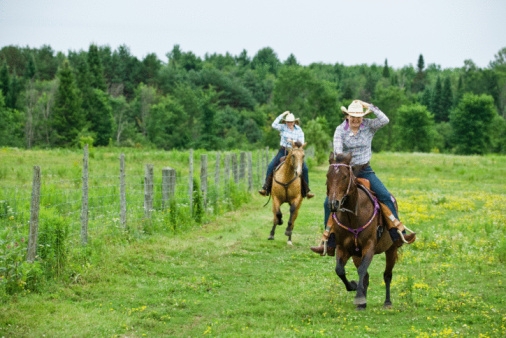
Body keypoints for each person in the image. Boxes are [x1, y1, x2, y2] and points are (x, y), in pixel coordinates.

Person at [310, 100, 415, 255]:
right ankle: (330, 241)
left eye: (359, 116)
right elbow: (338, 152)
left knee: (386, 196)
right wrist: (343, 165)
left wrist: (369, 106)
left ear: (363, 116)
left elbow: (385, 120)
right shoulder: (340, 130)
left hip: (365, 170)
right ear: (347, 116)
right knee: (328, 202)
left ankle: (397, 234)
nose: (356, 119)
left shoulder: (369, 126)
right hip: (346, 171)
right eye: (353, 116)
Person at [258, 111, 314, 199]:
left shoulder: (299, 130)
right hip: (283, 150)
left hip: (295, 152)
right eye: (288, 122)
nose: (289, 123)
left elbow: (301, 143)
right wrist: (283, 114)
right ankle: (266, 188)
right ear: (286, 122)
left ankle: (306, 191)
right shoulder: (283, 127)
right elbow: (274, 124)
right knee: (271, 166)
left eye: (291, 122)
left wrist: (293, 142)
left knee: (305, 169)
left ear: (294, 122)